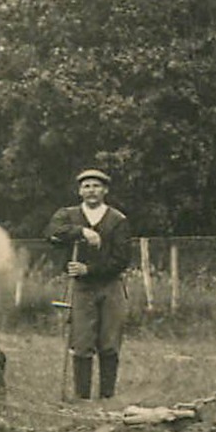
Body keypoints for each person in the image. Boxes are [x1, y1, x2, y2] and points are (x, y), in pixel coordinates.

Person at [44, 168, 133, 400]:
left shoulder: (117, 219)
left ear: (105, 190)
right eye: (86, 186)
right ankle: (82, 397)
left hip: (110, 286)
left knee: (109, 342)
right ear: (79, 191)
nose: (91, 190)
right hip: (81, 289)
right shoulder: (68, 215)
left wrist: (89, 269)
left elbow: (122, 259)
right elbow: (52, 232)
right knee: (82, 342)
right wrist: (81, 231)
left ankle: (107, 397)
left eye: (96, 186)